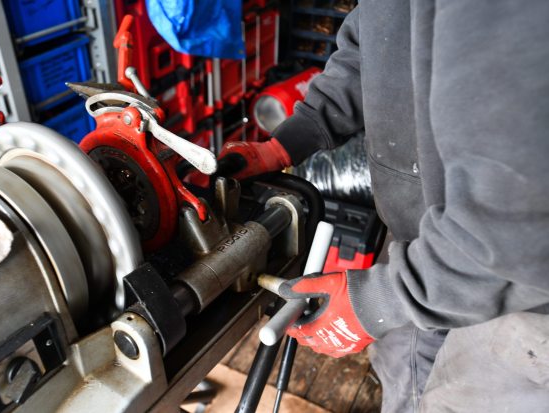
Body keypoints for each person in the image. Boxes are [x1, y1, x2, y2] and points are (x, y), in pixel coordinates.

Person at [218, 1, 549, 411]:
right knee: (402, 370)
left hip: (525, 300)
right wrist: (292, 138)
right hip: (428, 246)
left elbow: (518, 229)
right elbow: (379, 41)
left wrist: (383, 300)